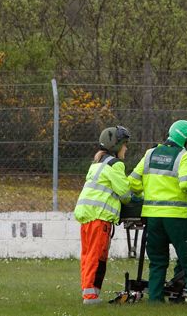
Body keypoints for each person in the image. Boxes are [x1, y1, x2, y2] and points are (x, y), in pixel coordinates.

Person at [128, 120, 187, 304]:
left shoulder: (150, 154)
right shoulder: (184, 157)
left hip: (153, 217)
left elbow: (133, 182)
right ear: (182, 139)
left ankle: (155, 300)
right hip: (176, 218)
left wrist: (147, 193)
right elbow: (185, 184)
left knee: (157, 261)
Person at [74, 125, 134, 305]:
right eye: (124, 144)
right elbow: (125, 194)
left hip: (87, 216)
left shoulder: (97, 164)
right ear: (115, 146)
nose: (126, 148)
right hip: (100, 218)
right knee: (97, 256)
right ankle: (91, 297)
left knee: (88, 255)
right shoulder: (116, 165)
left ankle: (88, 293)